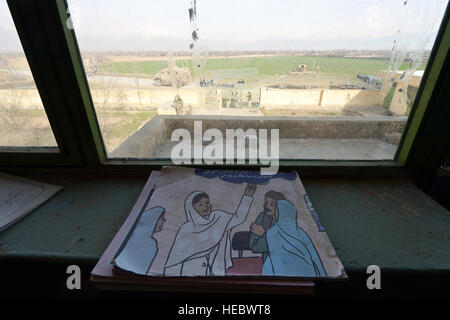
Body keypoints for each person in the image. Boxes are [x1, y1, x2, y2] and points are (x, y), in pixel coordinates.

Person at [164, 184, 256, 276]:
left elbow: (238, 218)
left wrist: (247, 197)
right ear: (192, 208)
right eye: (200, 204)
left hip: (216, 268)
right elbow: (176, 258)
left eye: (207, 203)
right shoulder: (186, 228)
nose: (205, 206)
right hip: (192, 271)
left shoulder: (219, 217)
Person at [262, 200, 326, 277]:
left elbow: (276, 262)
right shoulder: (301, 232)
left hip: (285, 277)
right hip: (309, 273)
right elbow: (315, 258)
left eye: (276, 210)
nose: (274, 214)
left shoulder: (272, 232)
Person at [114, 206, 166, 275]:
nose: (164, 220)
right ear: (154, 221)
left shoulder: (137, 238)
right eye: (161, 218)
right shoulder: (149, 244)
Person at [249, 191, 286, 262]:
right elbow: (254, 246)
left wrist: (263, 233)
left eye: (272, 204)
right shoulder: (262, 216)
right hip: (266, 262)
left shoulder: (285, 221)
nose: (266, 206)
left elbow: (281, 246)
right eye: (265, 202)